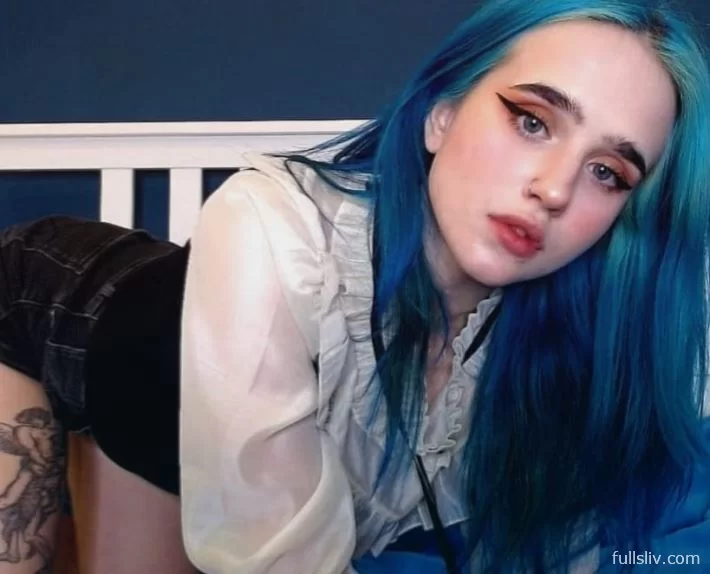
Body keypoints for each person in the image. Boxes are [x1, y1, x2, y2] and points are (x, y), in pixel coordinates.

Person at [1, 0, 710, 572]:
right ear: (442, 115)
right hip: (40, 315)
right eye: (531, 120)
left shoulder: (563, 346)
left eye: (607, 172)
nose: (553, 189)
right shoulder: (269, 225)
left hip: (166, 402)